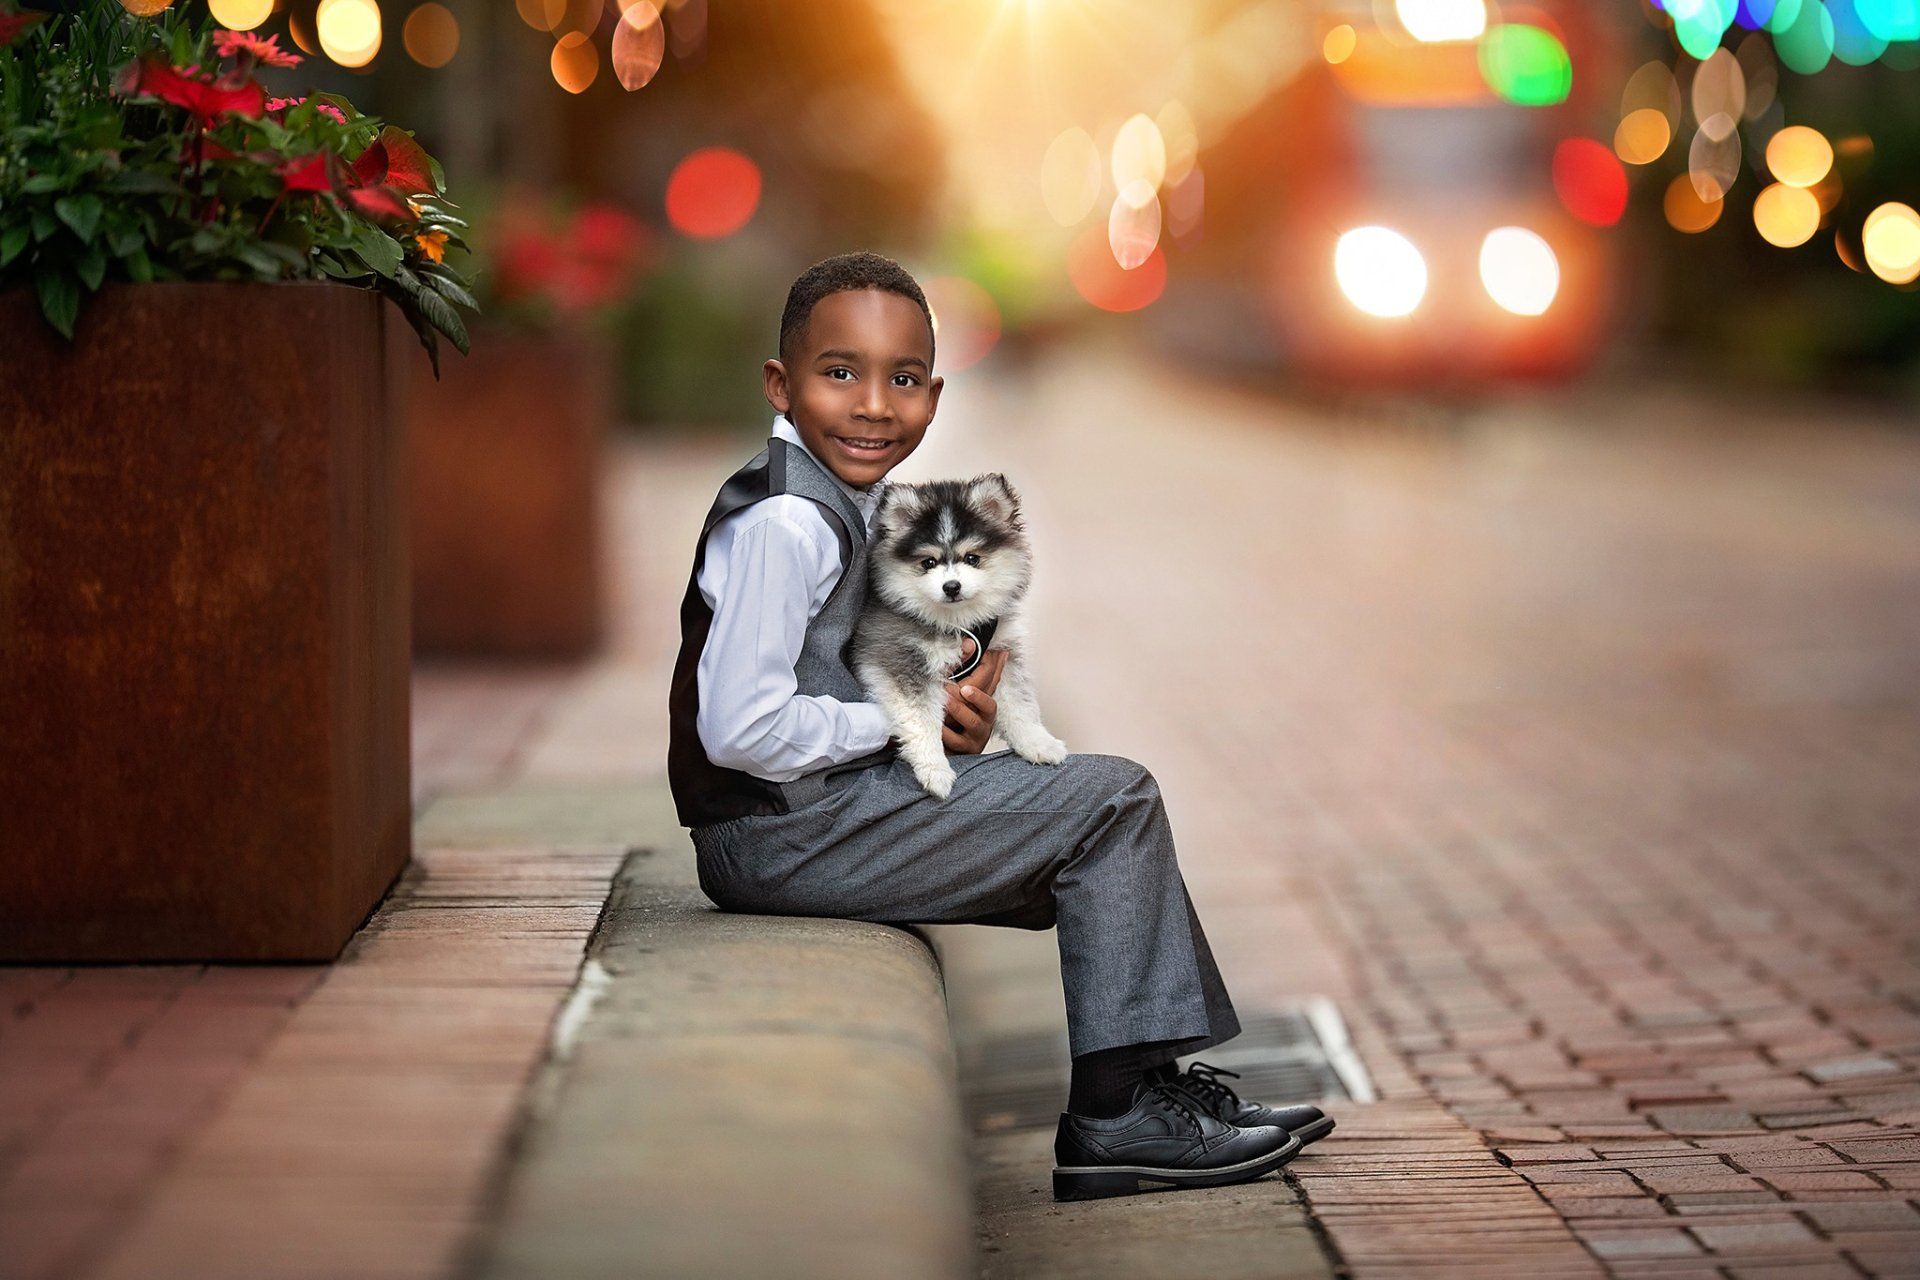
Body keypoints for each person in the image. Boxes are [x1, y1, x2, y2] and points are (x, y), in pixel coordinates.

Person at [667, 251, 1332, 1200]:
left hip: (808, 818)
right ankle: (1116, 1118)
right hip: (777, 835)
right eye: (839, 372)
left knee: (1100, 829)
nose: (872, 405)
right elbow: (738, 727)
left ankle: (1145, 1090)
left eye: (902, 380)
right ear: (782, 383)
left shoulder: (843, 502)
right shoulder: (788, 524)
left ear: (935, 397)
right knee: (1113, 802)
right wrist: (908, 725)